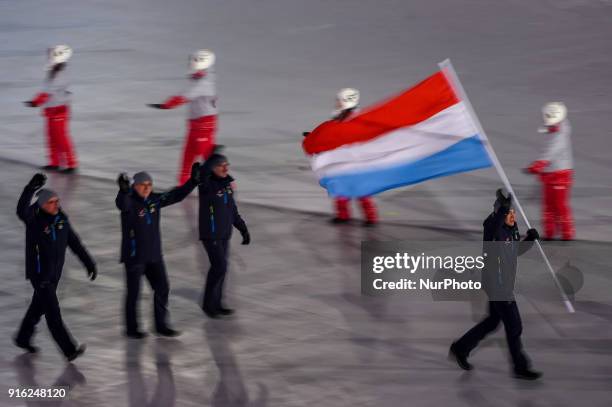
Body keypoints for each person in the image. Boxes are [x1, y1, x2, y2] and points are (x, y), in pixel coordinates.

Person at [449, 189, 542, 380]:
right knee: (514, 326)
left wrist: (529, 240)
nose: (513, 215)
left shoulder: (511, 227)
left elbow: (513, 251)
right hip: (497, 284)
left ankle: (461, 348)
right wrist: (502, 210)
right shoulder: (492, 226)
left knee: (492, 321)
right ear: (501, 211)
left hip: (503, 282)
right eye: (509, 212)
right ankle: (520, 367)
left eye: (513, 212)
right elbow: (493, 229)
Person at [14, 173, 96, 361]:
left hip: (54, 274)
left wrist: (89, 262)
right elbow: (21, 211)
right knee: (53, 312)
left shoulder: (61, 219)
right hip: (40, 274)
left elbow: (75, 243)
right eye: (51, 202)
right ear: (42, 204)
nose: (56, 205)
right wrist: (30, 188)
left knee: (37, 308)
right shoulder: (33, 219)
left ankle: (22, 338)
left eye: (57, 201)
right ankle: (69, 349)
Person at [115, 165, 199, 338]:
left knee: (162, 287)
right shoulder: (130, 201)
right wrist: (123, 191)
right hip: (135, 257)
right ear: (134, 186)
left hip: (154, 256)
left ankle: (161, 325)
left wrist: (193, 181)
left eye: (149, 184)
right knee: (134, 293)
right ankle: (132, 329)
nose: (146, 188)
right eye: (142, 184)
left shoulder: (155, 200)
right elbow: (121, 204)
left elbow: (176, 195)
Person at [304, 88, 378, 225]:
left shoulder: (349, 121)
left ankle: (369, 217)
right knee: (342, 189)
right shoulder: (344, 119)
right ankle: (348, 216)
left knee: (359, 190)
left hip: (353, 161)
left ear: (345, 101)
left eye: (339, 100)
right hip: (345, 161)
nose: (336, 102)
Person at [148, 49, 218, 184]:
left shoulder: (203, 83)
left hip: (203, 126)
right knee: (187, 160)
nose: (191, 64)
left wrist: (166, 105)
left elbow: (184, 96)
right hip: (195, 126)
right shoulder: (199, 81)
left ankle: (226, 187)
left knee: (209, 161)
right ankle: (182, 188)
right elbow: (185, 93)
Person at [197, 151, 250, 318]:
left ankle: (218, 303)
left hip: (224, 233)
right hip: (210, 234)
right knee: (219, 267)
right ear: (212, 168)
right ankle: (208, 304)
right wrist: (207, 165)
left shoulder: (227, 185)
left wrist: (243, 228)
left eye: (227, 165)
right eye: (222, 165)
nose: (226, 168)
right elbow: (201, 177)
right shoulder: (206, 185)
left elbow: (232, 210)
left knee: (222, 268)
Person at [24, 45, 79, 173]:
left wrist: (35, 102)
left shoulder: (61, 74)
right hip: (52, 110)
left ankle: (71, 164)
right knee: (52, 137)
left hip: (59, 110)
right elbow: (46, 90)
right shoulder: (53, 72)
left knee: (61, 138)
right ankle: (54, 162)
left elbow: (48, 92)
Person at [525, 102, 575, 240]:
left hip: (560, 174)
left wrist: (538, 165)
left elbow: (550, 153)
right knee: (548, 205)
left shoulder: (560, 136)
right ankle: (550, 232)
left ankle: (566, 232)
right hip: (550, 174)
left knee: (559, 205)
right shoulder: (559, 128)